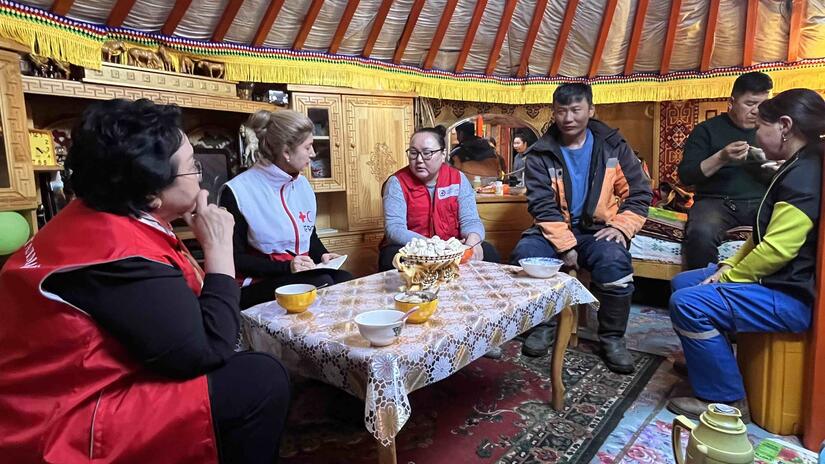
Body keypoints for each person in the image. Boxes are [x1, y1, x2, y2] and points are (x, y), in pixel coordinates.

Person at [0, 99, 289, 463]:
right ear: (152, 193)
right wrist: (218, 254)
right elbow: (204, 352)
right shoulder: (115, 253)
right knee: (260, 380)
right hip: (66, 420)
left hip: (48, 393)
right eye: (191, 167)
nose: (200, 176)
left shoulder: (97, 217)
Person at [668, 89, 824, 420]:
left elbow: (777, 250)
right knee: (685, 282)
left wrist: (728, 278)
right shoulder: (798, 163)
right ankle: (711, 365)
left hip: (789, 295)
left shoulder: (804, 175)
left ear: (784, 125)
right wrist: (727, 265)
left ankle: (726, 400)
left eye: (760, 125)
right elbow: (764, 235)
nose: (755, 134)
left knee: (688, 303)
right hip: (778, 282)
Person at [510, 83, 653, 374]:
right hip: (554, 230)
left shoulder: (613, 146)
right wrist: (566, 245)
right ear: (554, 113)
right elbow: (542, 206)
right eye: (561, 111)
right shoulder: (540, 154)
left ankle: (612, 338)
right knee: (526, 254)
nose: (568, 118)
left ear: (591, 110)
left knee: (615, 261)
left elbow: (639, 192)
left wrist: (623, 227)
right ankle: (543, 325)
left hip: (597, 230)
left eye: (576, 110)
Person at [219, 110, 352, 309]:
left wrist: (323, 255)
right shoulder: (237, 191)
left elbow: (310, 234)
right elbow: (233, 259)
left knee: (346, 281)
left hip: (295, 275)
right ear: (287, 153)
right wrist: (287, 267)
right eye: (308, 147)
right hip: (255, 283)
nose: (314, 154)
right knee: (321, 284)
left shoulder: (302, 185)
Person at [678, 72, 774, 269]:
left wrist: (766, 163)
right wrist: (721, 157)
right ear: (732, 101)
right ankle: (703, 291)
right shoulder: (706, 130)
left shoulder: (772, 130)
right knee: (701, 233)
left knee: (790, 230)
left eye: (763, 105)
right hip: (717, 203)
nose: (757, 111)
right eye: (750, 104)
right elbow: (686, 176)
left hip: (762, 201)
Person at [379, 126, 501, 271]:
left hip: (451, 247)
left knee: (488, 251)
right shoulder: (397, 182)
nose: (419, 159)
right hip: (416, 249)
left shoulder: (457, 179)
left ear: (443, 155)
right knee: (391, 256)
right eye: (413, 153)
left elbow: (471, 220)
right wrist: (434, 247)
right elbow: (394, 229)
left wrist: (472, 243)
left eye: (427, 153)